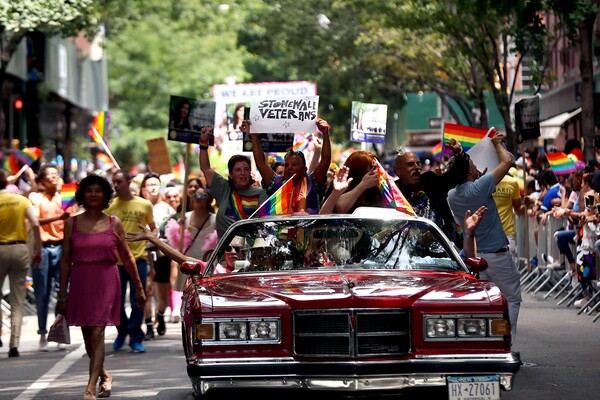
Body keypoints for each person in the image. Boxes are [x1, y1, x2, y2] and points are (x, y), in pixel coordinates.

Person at [57, 174, 146, 400]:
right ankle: (104, 375)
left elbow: (127, 258)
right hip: (80, 281)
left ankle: (89, 388)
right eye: (89, 191)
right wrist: (62, 294)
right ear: (82, 195)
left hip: (106, 280)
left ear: (106, 195)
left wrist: (139, 287)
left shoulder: (113, 222)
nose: (94, 194)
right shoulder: (71, 223)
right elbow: (65, 260)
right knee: (88, 336)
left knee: (98, 331)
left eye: (98, 190)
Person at [446, 132, 521, 341]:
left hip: (474, 256)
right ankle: (507, 343)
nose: (474, 164)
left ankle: (490, 343)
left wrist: (477, 176)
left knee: (487, 303)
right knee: (512, 299)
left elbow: (472, 189)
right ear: (468, 170)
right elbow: (508, 160)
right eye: (471, 163)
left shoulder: (452, 196)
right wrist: (497, 144)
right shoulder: (480, 186)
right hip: (497, 255)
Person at [105, 169, 156, 353]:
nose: (116, 185)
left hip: (138, 260)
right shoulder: (109, 205)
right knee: (115, 301)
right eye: (114, 182)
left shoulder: (144, 204)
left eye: (119, 181)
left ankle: (135, 336)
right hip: (115, 262)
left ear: (129, 182)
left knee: (138, 300)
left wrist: (149, 241)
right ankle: (122, 331)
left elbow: (153, 229)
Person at [243, 118, 331, 214]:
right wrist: (254, 136)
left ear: (304, 169)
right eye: (287, 165)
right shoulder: (275, 183)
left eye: (294, 165)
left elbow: (325, 161)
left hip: (308, 228)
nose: (289, 167)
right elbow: (260, 163)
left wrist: (325, 134)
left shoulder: (314, 183)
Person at [28, 164, 71, 352]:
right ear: (43, 181)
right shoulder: (36, 198)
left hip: (62, 247)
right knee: (42, 294)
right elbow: (35, 221)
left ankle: (60, 332)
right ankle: (42, 334)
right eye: (50, 175)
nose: (54, 177)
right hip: (43, 249)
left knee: (63, 293)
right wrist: (60, 217)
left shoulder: (65, 198)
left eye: (56, 174)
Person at [0, 170, 42, 358]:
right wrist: (38, 250)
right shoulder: (22, 201)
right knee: (17, 300)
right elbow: (35, 224)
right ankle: (14, 344)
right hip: (19, 249)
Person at [394, 140, 466, 248]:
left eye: (418, 163)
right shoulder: (393, 193)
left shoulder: (430, 181)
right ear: (398, 171)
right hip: (408, 254)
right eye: (410, 164)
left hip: (443, 251)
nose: (417, 167)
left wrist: (459, 153)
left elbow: (455, 176)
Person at [199, 127, 268, 237]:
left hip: (249, 253)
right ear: (231, 174)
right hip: (225, 253)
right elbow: (205, 168)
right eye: (238, 170)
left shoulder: (260, 194)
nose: (243, 173)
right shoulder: (224, 189)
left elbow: (266, 227)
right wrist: (203, 142)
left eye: (246, 169)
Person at [139, 172, 175, 340]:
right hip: (143, 253)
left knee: (162, 293)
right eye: (149, 185)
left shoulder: (169, 209)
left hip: (162, 254)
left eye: (156, 184)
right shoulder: (139, 207)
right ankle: (148, 324)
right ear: (143, 189)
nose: (153, 188)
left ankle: (160, 315)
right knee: (146, 289)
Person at [492, 172, 524, 261]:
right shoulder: (483, 181)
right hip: (491, 234)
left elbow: (517, 209)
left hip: (506, 233)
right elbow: (518, 209)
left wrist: (526, 205)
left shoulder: (512, 182)